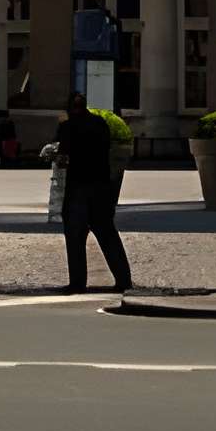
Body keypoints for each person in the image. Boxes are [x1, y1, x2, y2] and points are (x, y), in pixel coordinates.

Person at [54, 92, 131, 293]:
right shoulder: (100, 124)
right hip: (101, 185)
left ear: (70, 109)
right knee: (107, 233)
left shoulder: (68, 127)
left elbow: (62, 158)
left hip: (78, 185)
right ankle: (123, 279)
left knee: (75, 235)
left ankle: (78, 283)